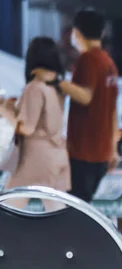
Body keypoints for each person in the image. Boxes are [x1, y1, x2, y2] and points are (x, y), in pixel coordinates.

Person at [35, 8, 119, 202]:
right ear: (102, 32)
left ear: (77, 33)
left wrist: (55, 79)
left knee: (75, 207)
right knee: (84, 205)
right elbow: (112, 108)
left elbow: (85, 96)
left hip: (84, 149)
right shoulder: (109, 63)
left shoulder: (88, 59)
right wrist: (112, 147)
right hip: (101, 151)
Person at [0, 37, 69, 210]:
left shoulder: (34, 88)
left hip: (34, 157)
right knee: (56, 207)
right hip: (56, 154)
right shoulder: (58, 88)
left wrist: (5, 111)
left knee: (11, 207)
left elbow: (27, 127)